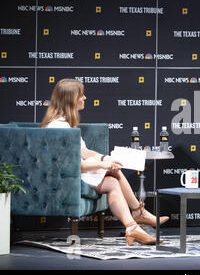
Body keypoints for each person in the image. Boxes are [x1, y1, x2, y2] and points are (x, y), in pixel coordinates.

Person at [41, 78, 169, 246]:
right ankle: (137, 214)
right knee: (112, 173)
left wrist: (105, 158)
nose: (85, 98)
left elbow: (84, 152)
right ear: (71, 99)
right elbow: (73, 165)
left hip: (77, 172)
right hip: (67, 177)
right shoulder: (58, 128)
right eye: (81, 95)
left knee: (112, 179)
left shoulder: (65, 124)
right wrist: (103, 165)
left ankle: (133, 223)